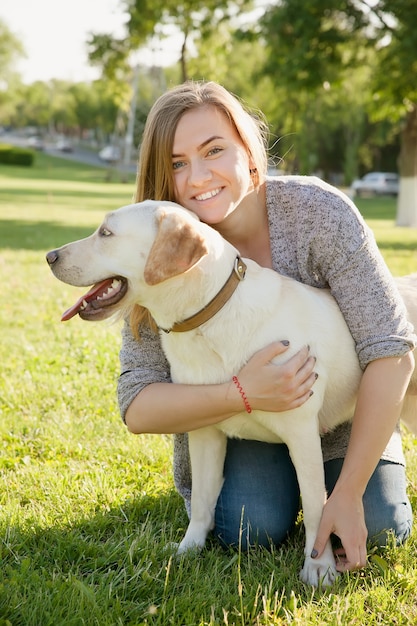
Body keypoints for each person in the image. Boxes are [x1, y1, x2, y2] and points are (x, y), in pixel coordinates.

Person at [118, 80, 415, 573]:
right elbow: (138, 404)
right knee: (248, 529)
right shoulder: (158, 251)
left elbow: (390, 349)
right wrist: (243, 393)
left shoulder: (318, 213)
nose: (197, 177)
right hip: (245, 428)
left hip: (345, 412)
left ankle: (366, 464)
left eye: (214, 150)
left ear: (250, 150)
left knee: (380, 528)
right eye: (176, 163)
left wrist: (346, 494)